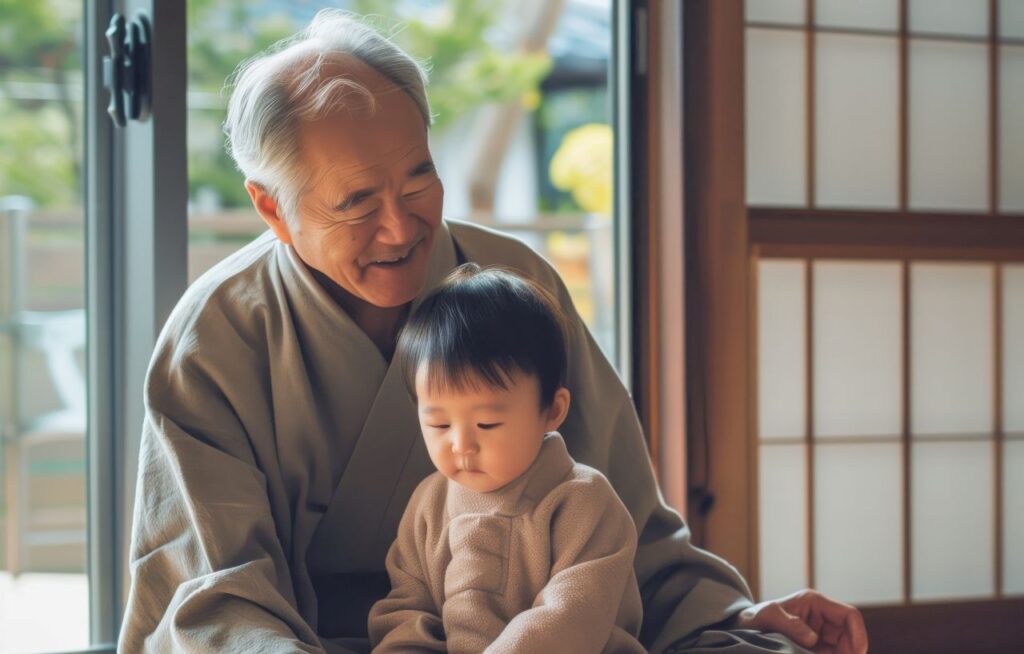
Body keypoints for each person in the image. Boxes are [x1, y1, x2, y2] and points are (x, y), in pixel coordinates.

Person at [119, 9, 868, 654]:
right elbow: (212, 600)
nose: (400, 224)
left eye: (418, 177)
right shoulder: (214, 338)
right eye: (355, 202)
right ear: (273, 208)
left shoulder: (512, 281)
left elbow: (625, 529)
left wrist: (735, 616)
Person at [368, 264, 646, 653]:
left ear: (551, 409)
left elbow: (570, 615)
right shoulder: (428, 505)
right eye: (440, 424)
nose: (461, 444)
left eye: (488, 423)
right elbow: (406, 609)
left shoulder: (584, 501)